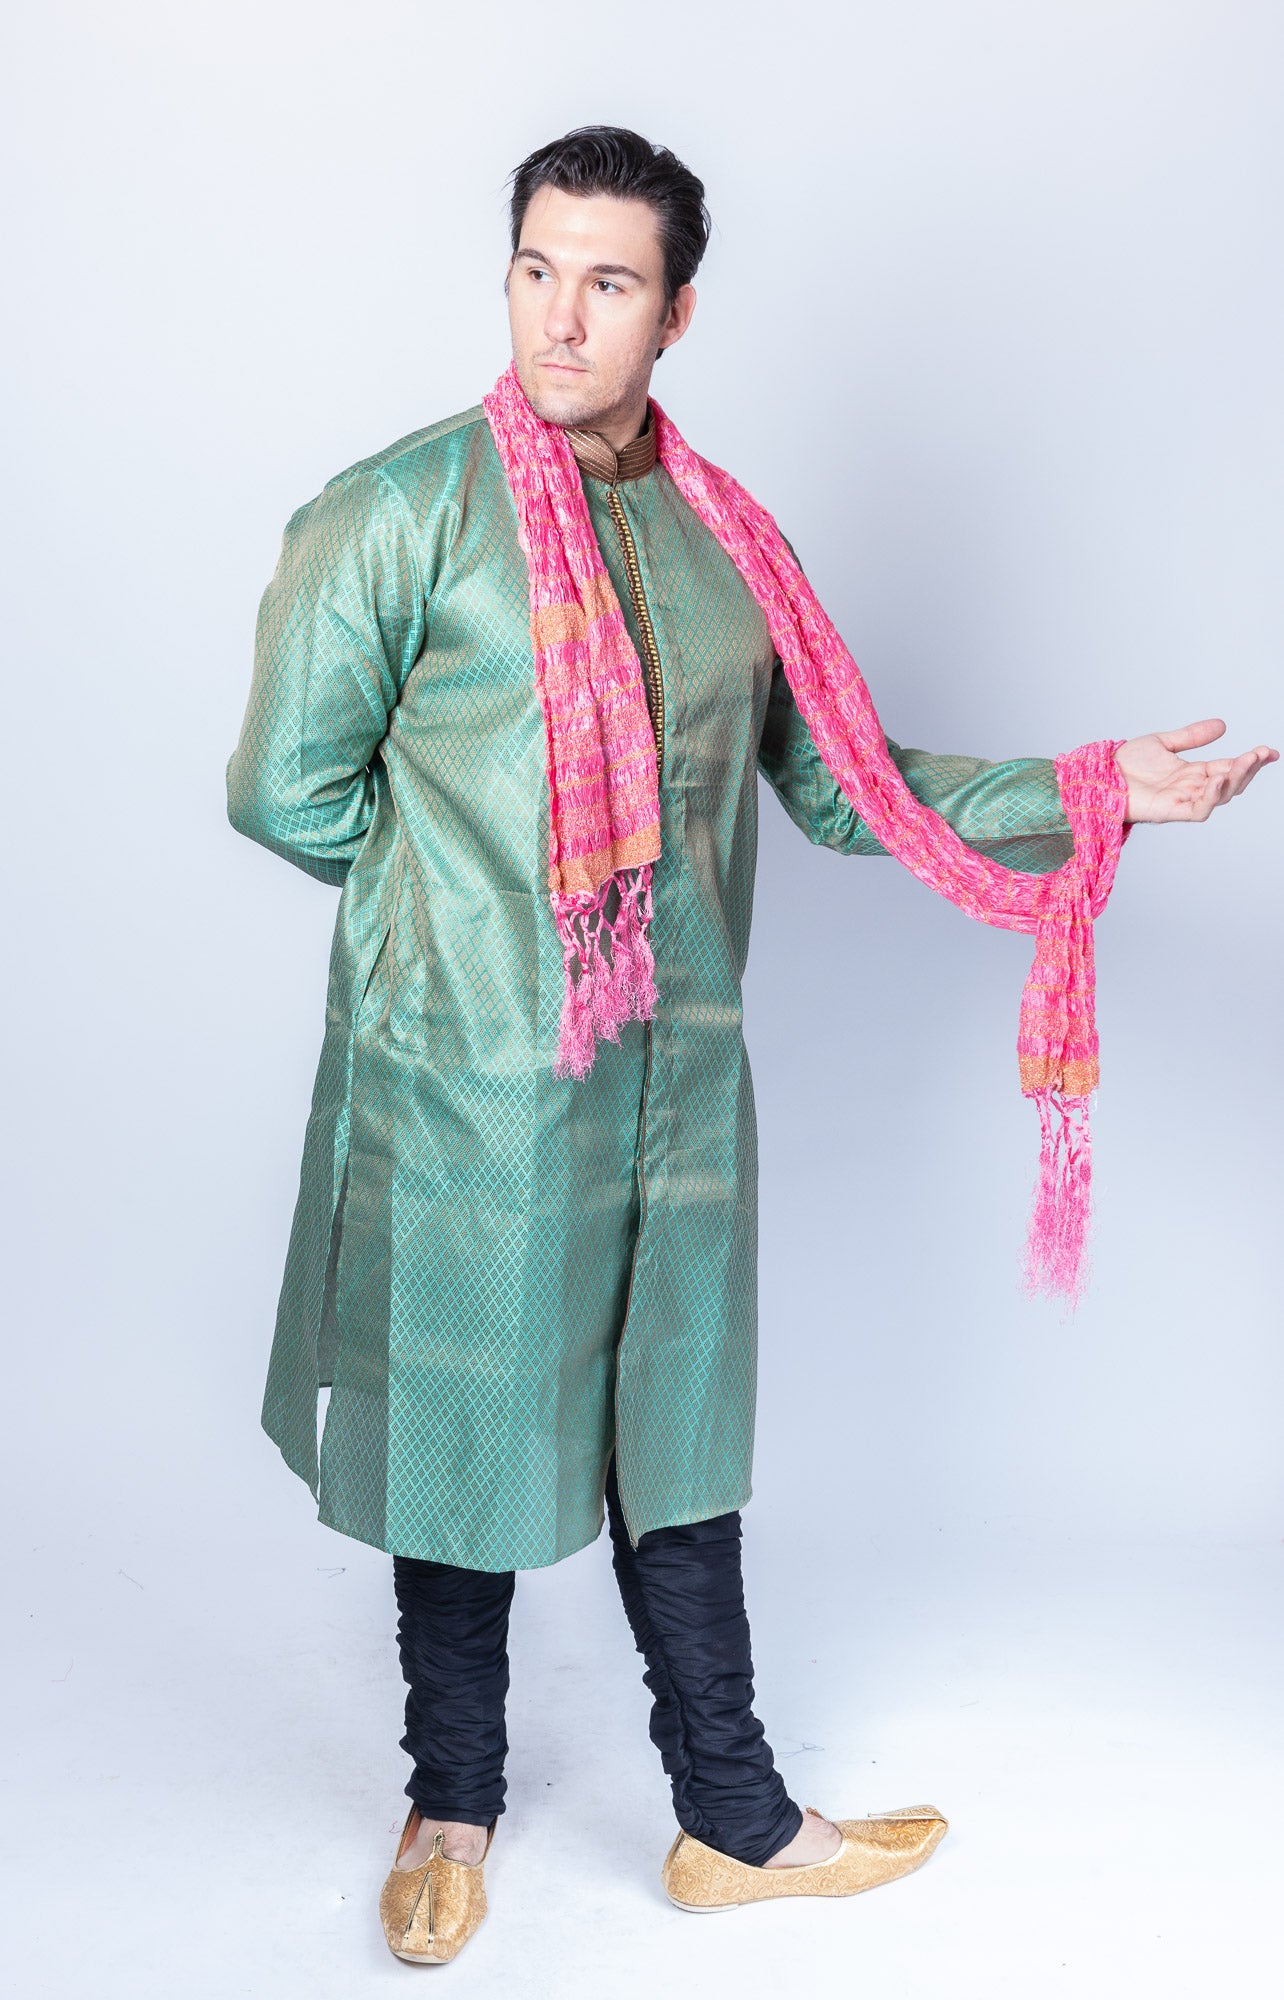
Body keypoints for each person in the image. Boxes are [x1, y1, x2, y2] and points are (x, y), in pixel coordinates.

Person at [225, 126, 1275, 1966]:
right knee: (464, 1446)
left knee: (680, 1441)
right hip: (470, 1083)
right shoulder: (397, 514)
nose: (562, 318)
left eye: (607, 282)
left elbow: (849, 785)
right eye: (537, 271)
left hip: (679, 1082)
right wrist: (465, 930)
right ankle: (452, 1803)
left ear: (677, 312)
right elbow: (286, 793)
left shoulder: (729, 540)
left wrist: (1096, 786)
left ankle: (736, 1817)